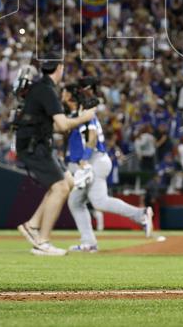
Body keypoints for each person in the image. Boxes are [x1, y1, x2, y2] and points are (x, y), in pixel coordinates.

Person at [14, 61, 96, 256]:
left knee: (68, 182)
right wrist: (84, 118)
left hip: (39, 143)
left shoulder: (42, 88)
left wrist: (75, 119)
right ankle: (43, 242)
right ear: (59, 68)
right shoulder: (47, 90)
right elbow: (63, 125)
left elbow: (57, 127)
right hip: (35, 145)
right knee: (60, 188)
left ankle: (32, 225)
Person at [64, 89, 153, 252]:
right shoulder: (78, 114)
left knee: (99, 202)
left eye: (65, 94)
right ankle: (89, 242)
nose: (62, 96)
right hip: (93, 160)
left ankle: (141, 214)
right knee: (75, 202)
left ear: (72, 98)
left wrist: (84, 159)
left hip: (93, 160)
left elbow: (92, 137)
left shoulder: (84, 114)